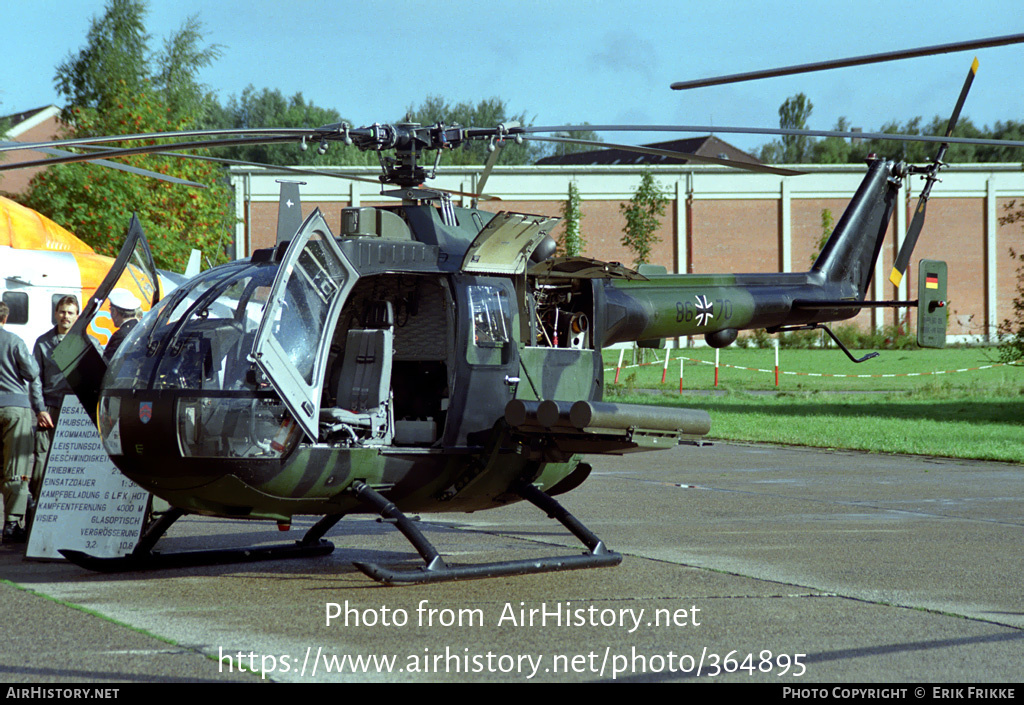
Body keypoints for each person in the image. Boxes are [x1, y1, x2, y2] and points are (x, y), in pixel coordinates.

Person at [0, 302, 47, 544]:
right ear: (5, 319)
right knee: (15, 468)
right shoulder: (14, 341)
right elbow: (32, 371)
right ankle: (11, 523)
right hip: (14, 409)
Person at [30, 296, 80, 509]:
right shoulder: (43, 342)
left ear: (77, 316)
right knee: (42, 459)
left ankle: (71, 504)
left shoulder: (85, 342)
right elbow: (35, 379)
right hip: (50, 408)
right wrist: (40, 410)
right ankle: (36, 505)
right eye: (62, 311)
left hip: (77, 411)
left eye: (70, 312)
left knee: (74, 460)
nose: (65, 316)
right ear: (55, 313)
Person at [104, 289, 143, 362]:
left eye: (110, 310)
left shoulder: (120, 335)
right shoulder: (140, 328)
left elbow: (106, 364)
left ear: (114, 312)